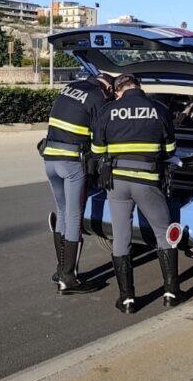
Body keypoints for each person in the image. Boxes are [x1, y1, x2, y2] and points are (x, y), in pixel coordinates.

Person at [91, 74, 180, 313]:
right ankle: (171, 292)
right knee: (163, 233)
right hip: (147, 181)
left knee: (121, 237)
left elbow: (97, 149)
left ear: (118, 90)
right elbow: (170, 149)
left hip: (116, 182)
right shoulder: (158, 109)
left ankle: (127, 299)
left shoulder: (109, 111)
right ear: (138, 87)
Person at [38, 73, 114, 295]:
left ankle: (61, 270)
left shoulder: (69, 88)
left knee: (62, 212)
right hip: (71, 163)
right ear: (106, 87)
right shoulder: (97, 97)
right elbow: (101, 134)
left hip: (50, 159)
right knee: (73, 215)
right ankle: (69, 278)